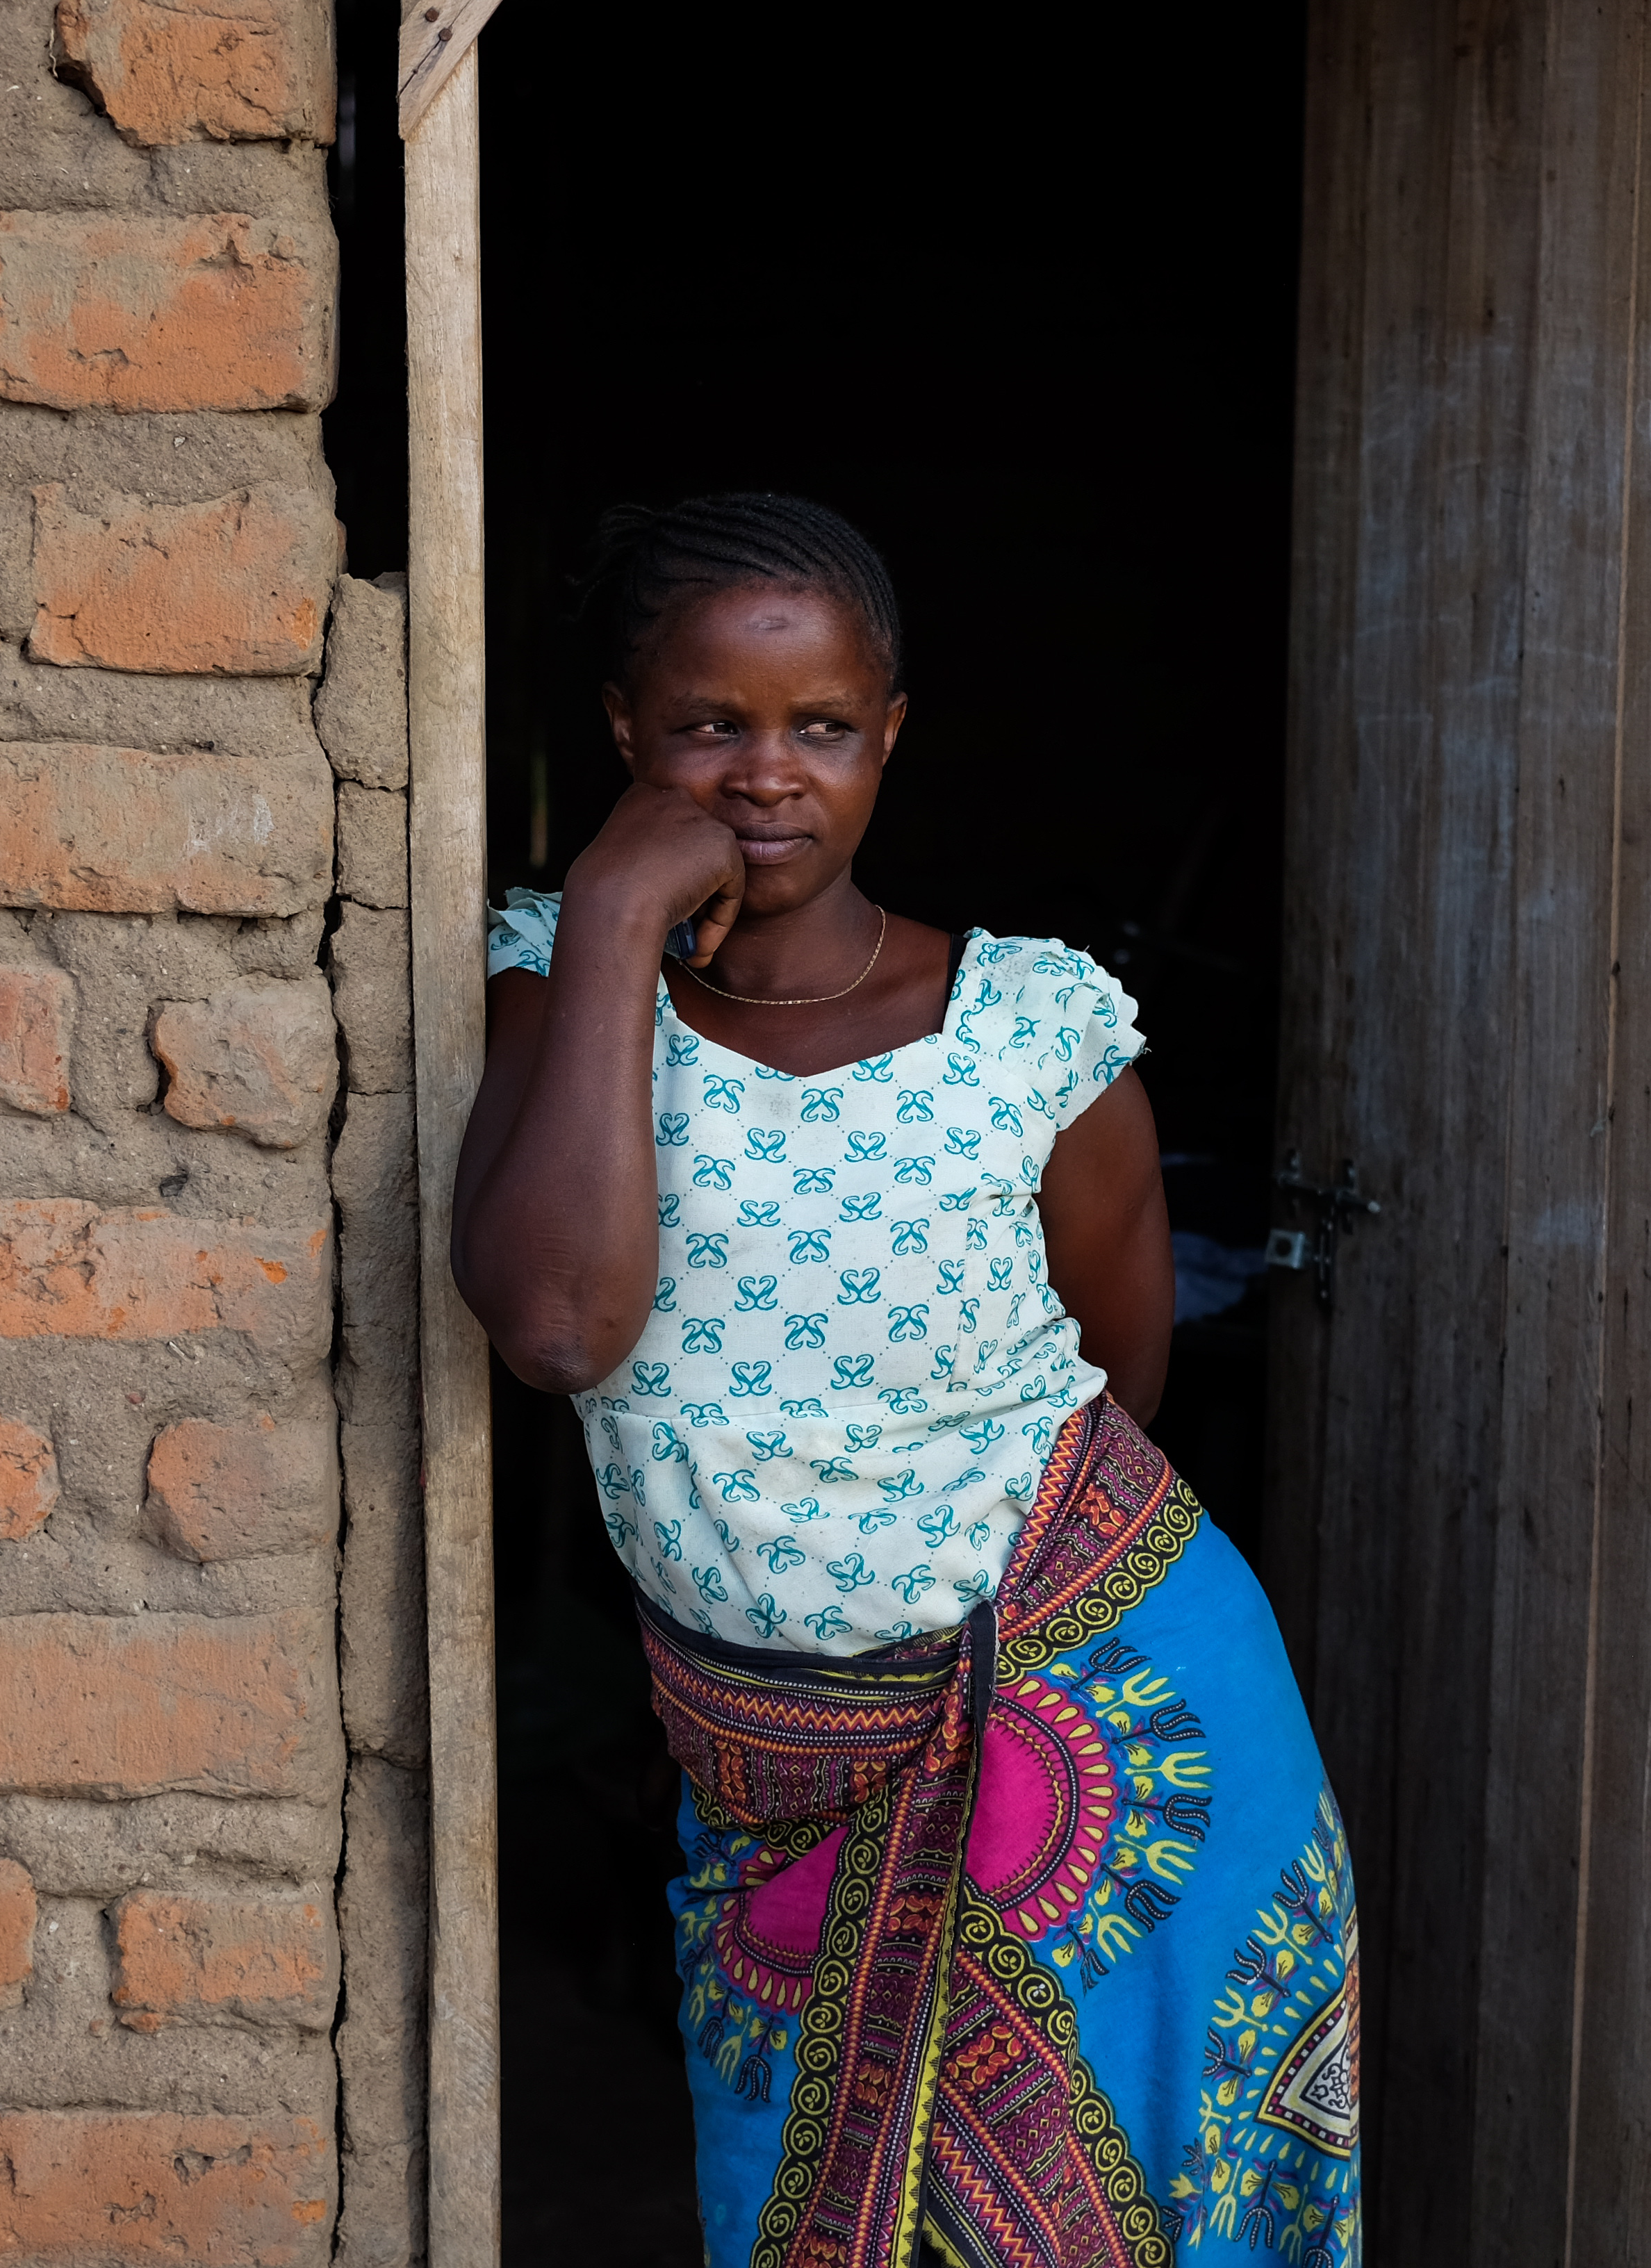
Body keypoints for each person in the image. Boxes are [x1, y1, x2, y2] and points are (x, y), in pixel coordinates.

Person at [454, 494, 1361, 2268]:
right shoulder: (550, 984)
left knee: (1165, 2223)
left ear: (890, 739)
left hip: (1118, 1732)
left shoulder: (1036, 1022)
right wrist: (621, 907)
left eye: (822, 728)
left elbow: (1124, 1374)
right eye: (712, 727)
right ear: (629, 738)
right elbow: (556, 1326)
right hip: (779, 1768)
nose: (768, 774)